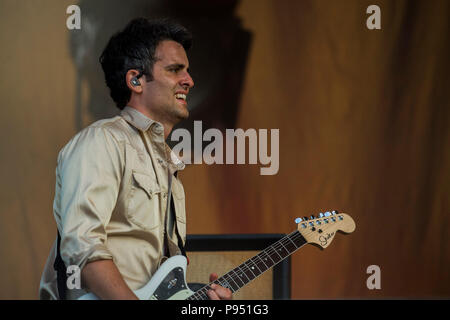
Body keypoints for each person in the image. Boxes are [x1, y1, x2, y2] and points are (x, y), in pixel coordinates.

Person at [39, 17, 232, 300]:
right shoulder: (102, 141)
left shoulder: (169, 168)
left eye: (188, 71)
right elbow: (83, 248)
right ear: (135, 80)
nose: (189, 81)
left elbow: (159, 284)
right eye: (175, 70)